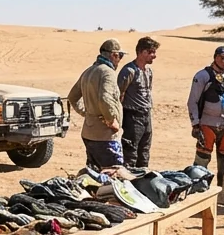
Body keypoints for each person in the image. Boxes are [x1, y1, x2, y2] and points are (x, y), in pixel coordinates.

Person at [188, 45, 224, 206]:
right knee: (202, 159)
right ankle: (197, 196)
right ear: (215, 57)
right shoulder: (202, 76)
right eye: (223, 57)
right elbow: (192, 101)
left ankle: (223, 193)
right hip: (207, 123)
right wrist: (195, 124)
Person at [67, 39, 126, 169]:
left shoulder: (89, 71)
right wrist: (111, 121)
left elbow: (72, 97)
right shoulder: (107, 72)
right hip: (104, 136)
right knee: (112, 175)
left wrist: (88, 112)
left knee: (94, 175)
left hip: (89, 133)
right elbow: (105, 98)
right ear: (114, 55)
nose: (120, 60)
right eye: (120, 56)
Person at [117, 37, 159, 171]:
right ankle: (129, 181)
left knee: (145, 150)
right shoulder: (129, 70)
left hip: (146, 115)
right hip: (132, 116)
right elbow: (119, 94)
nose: (154, 56)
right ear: (142, 52)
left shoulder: (149, 71)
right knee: (130, 151)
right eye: (151, 52)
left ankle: (143, 179)